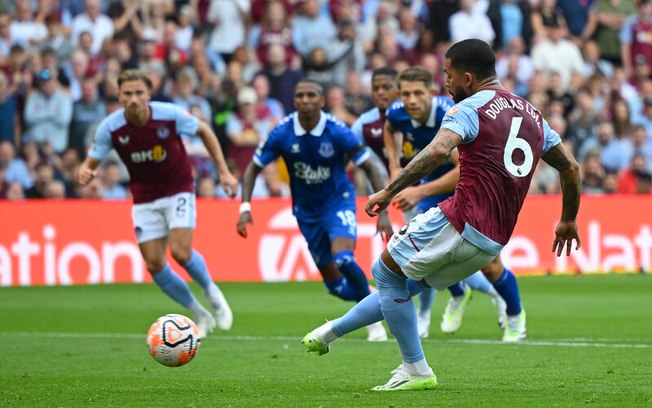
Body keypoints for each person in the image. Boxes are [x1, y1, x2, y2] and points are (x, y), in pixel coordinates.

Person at [303, 39, 581, 391]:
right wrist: (568, 218)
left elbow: (437, 151)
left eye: (448, 75)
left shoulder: (471, 108)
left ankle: (415, 368)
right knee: (403, 287)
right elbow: (570, 167)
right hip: (493, 239)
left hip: (460, 220)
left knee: (384, 273)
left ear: (467, 77)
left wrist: (390, 190)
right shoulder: (533, 114)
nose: (445, 83)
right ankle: (330, 332)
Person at [78, 69, 239, 337]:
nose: (133, 99)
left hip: (179, 188)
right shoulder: (111, 127)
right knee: (154, 264)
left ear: (149, 94)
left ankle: (213, 292)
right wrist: (85, 170)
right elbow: (90, 161)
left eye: (139, 93)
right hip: (144, 198)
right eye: (127, 94)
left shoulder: (169, 114)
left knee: (181, 252)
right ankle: (199, 313)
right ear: (119, 95)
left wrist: (223, 170)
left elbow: (205, 131)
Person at [237, 79, 392, 342]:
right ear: (295, 100)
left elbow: (371, 167)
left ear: (321, 100)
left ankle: (373, 321)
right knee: (335, 287)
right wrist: (244, 207)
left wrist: (384, 213)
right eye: (300, 95)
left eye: (311, 95)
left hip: (338, 202)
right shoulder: (282, 132)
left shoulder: (338, 131)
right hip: (306, 212)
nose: (306, 100)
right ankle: (367, 295)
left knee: (344, 259)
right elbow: (253, 167)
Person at [366, 66, 507, 339]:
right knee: (424, 257)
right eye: (405, 94)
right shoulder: (397, 113)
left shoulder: (450, 113)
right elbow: (390, 127)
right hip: (428, 186)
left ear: (432, 93)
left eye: (418, 93)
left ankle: (495, 296)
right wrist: (395, 166)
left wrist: (417, 191)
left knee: (476, 262)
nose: (411, 100)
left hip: (462, 188)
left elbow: (462, 171)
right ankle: (434, 308)